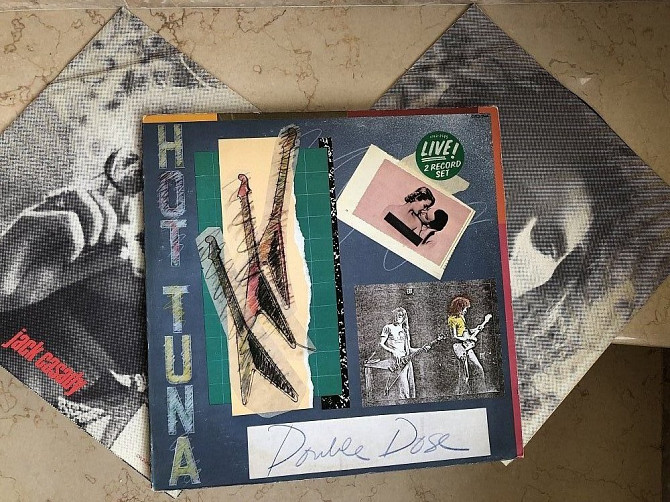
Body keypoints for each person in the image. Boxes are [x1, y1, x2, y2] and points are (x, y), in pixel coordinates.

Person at [379, 307, 428, 399]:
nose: (398, 318)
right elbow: (381, 344)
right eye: (397, 315)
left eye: (401, 316)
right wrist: (393, 351)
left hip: (406, 361)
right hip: (396, 362)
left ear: (404, 317)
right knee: (403, 390)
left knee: (411, 388)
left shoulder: (405, 331)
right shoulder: (388, 327)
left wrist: (422, 349)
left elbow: (408, 349)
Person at [448, 296, 486, 394]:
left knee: (479, 368)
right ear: (459, 308)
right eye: (465, 308)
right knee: (465, 375)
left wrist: (476, 329)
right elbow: (454, 336)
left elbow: (465, 331)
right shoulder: (452, 319)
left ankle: (481, 392)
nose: (466, 310)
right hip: (459, 347)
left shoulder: (461, 317)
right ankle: (464, 394)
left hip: (467, 346)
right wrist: (468, 339)